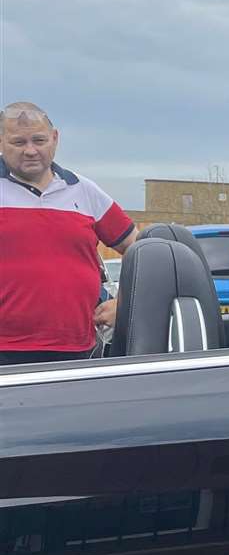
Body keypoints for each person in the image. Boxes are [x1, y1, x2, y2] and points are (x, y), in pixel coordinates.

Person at [0, 102, 134, 365]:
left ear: (55, 139)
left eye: (39, 140)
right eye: (19, 142)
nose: (30, 150)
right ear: (1, 142)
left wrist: (125, 302)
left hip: (77, 351)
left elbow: (140, 250)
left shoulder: (84, 190)